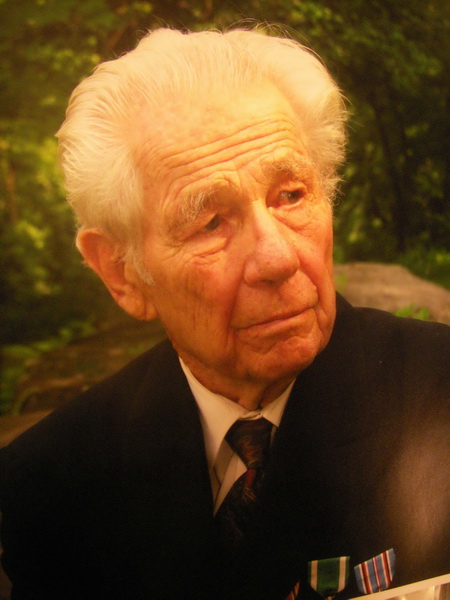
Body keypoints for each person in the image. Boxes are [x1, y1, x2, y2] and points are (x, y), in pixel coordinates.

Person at [0, 27, 448, 600]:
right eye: (211, 222)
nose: (279, 258)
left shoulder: (439, 394)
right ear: (121, 271)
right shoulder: (53, 485)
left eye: (291, 195)